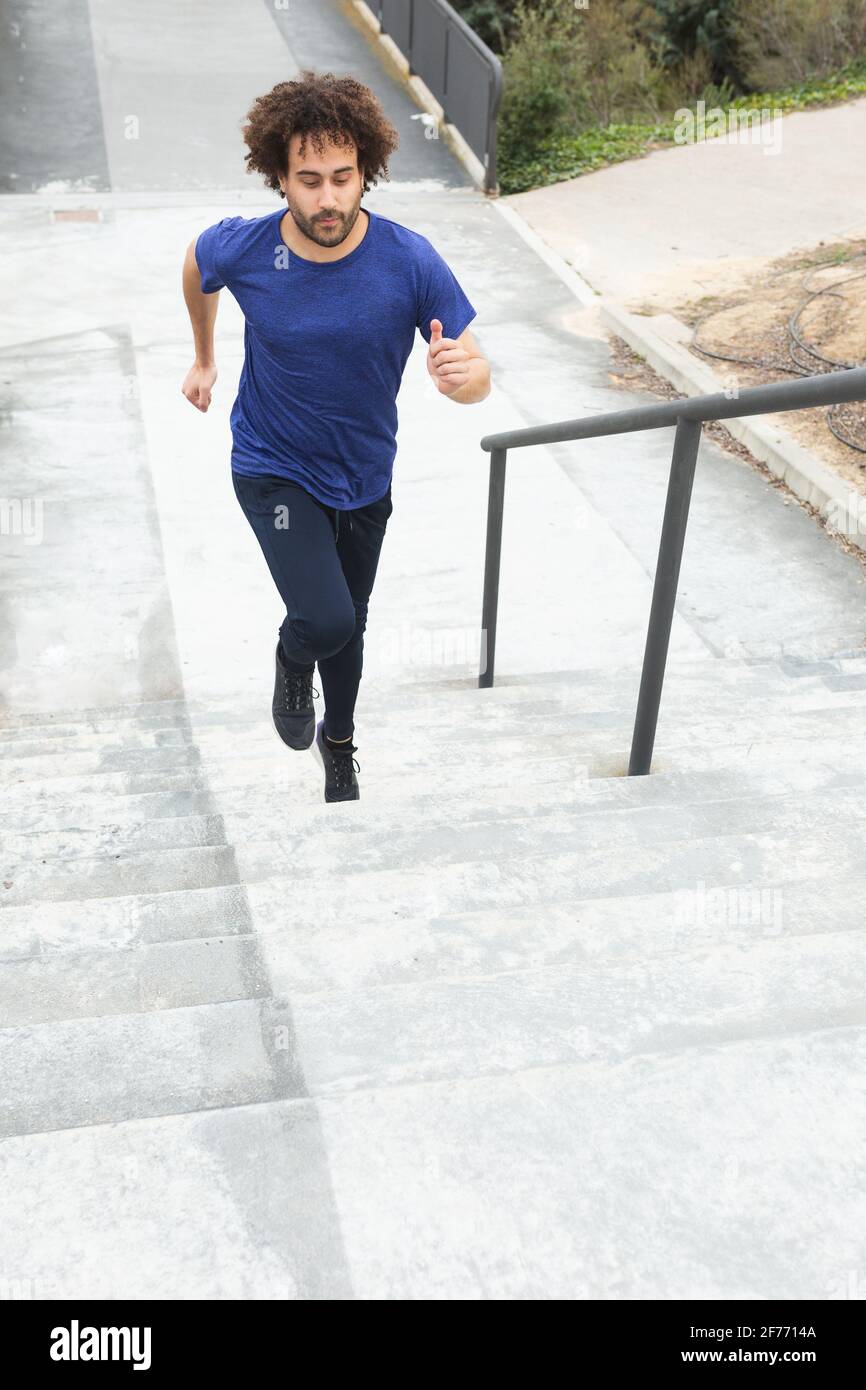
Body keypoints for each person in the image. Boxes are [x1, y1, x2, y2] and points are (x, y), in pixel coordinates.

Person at [181, 70, 490, 802]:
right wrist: (203, 356)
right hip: (272, 466)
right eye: (309, 179)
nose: (327, 199)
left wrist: (460, 375)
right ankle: (293, 663)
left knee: (350, 627)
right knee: (324, 618)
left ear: (367, 172)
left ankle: (340, 741)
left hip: (364, 476)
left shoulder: (407, 260)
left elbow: (478, 371)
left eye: (343, 178)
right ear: (279, 178)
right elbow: (198, 264)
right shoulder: (250, 249)